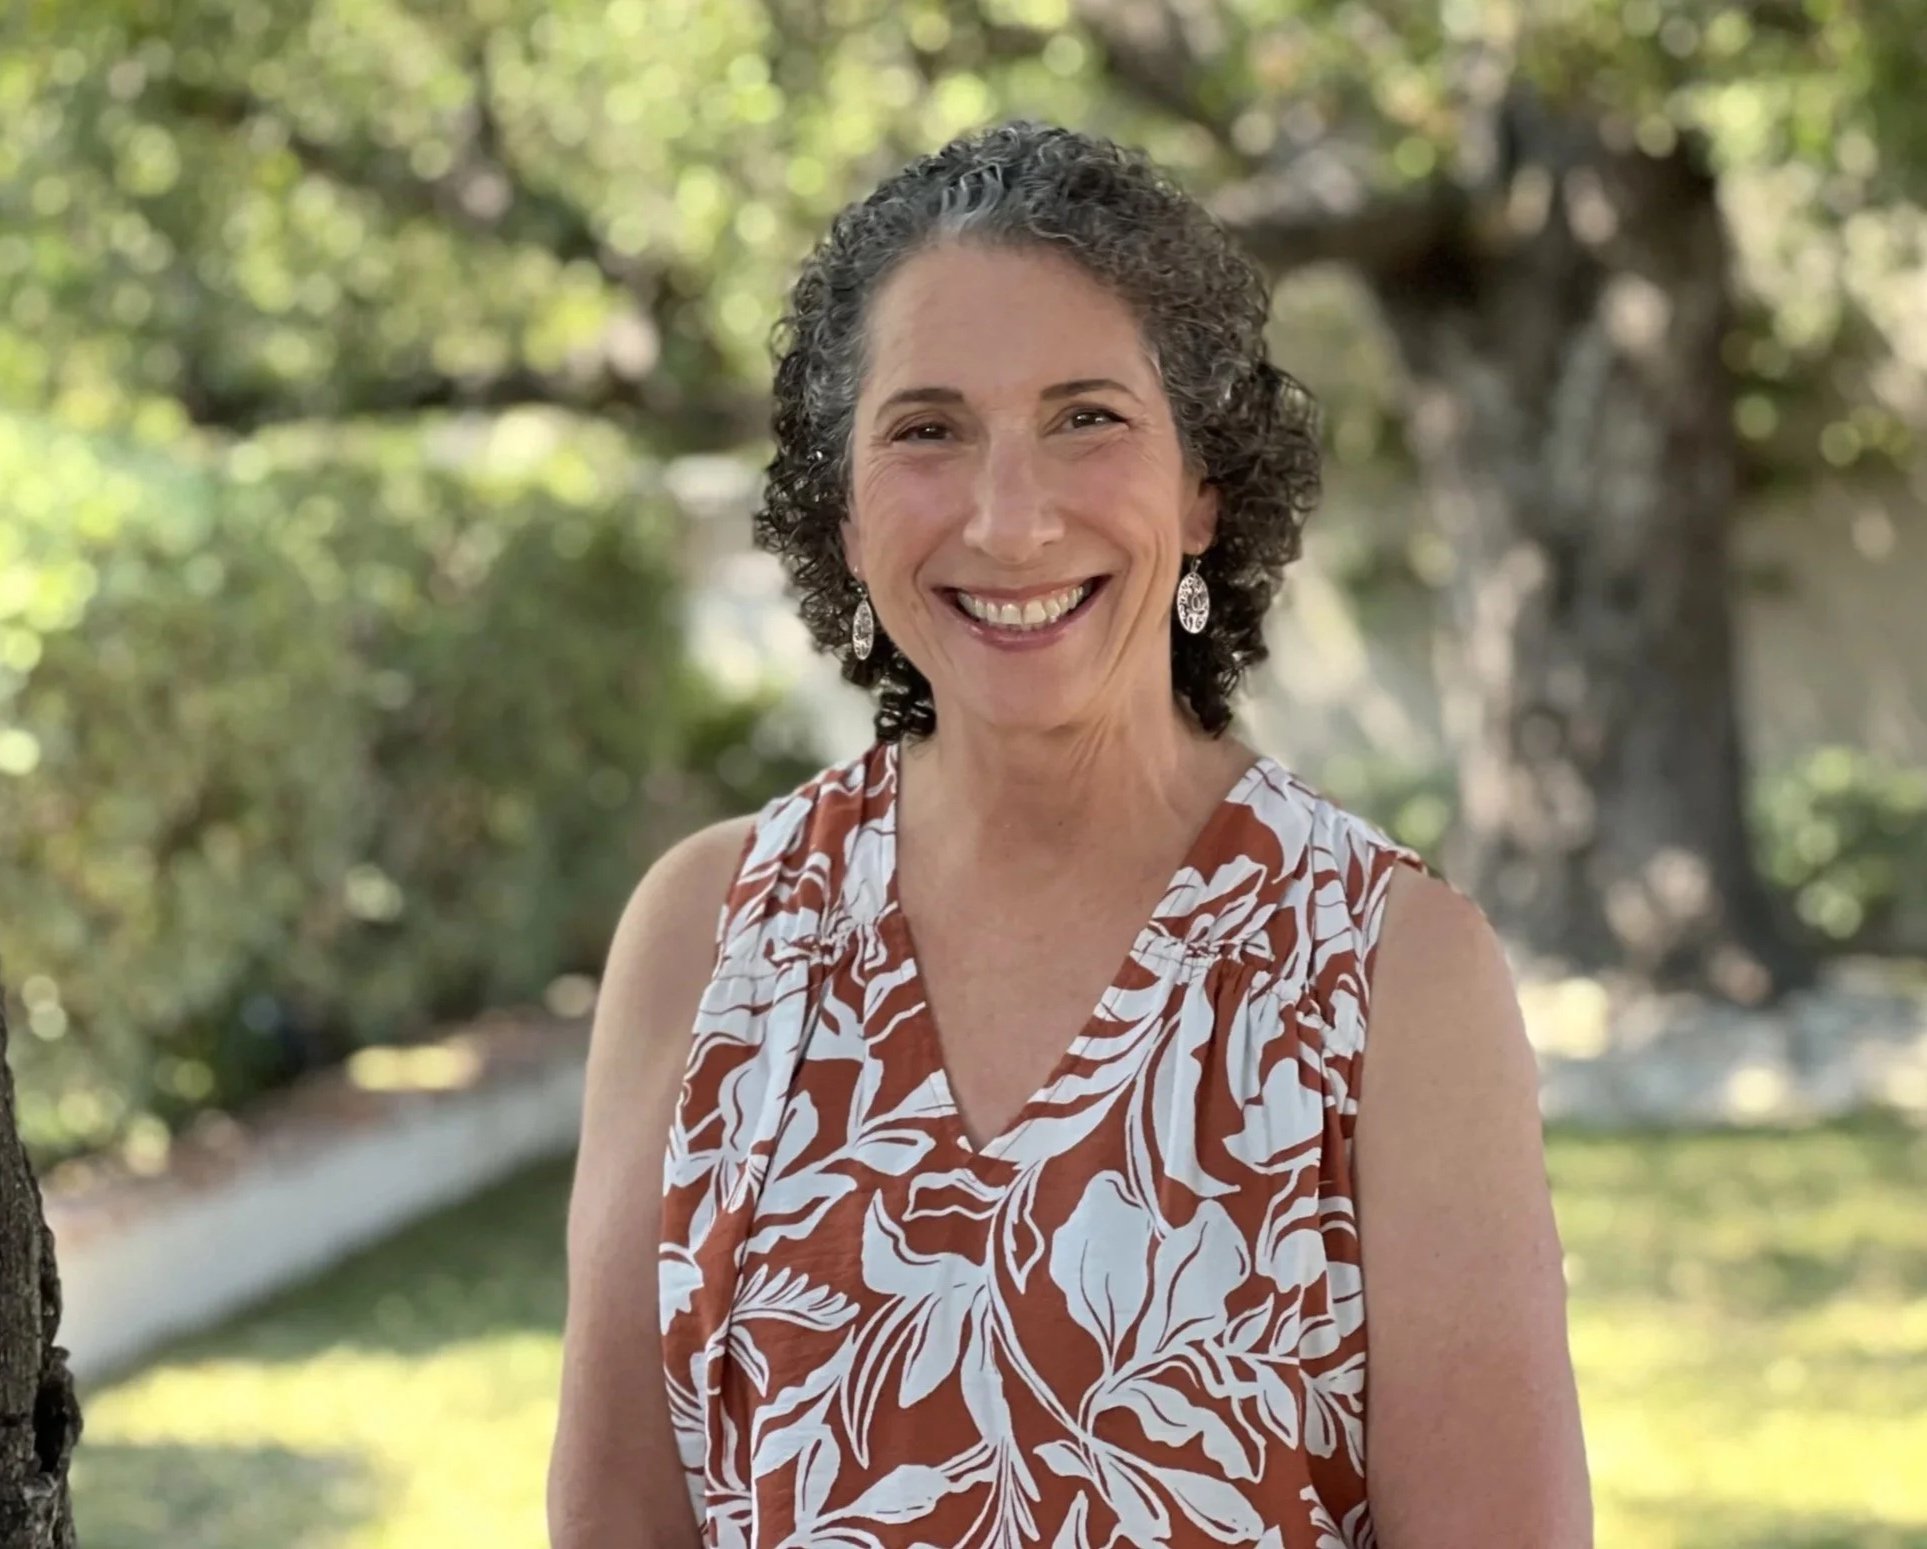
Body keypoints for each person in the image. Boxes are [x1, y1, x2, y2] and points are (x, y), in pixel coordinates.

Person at [548, 121, 1591, 1549]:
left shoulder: (1388, 975)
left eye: (1087, 417)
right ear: (844, 514)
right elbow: (615, 1522)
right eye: (927, 430)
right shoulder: (709, 936)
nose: (1011, 516)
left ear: (1203, 487)